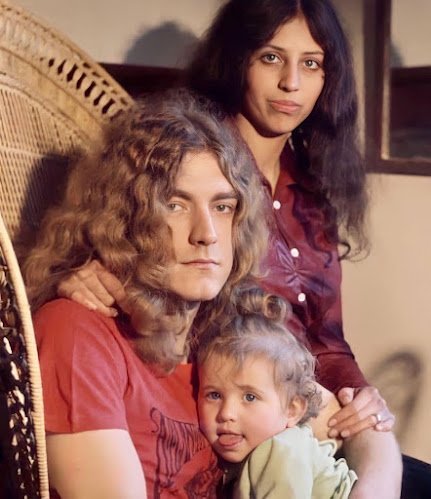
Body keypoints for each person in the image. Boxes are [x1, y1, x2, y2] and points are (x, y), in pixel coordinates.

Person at [52, 0, 404, 497]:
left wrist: (363, 407)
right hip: (251, 425)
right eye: (271, 57)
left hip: (307, 415)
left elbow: (326, 344)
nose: (291, 83)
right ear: (237, 59)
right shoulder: (186, 169)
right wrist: (83, 276)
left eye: (312, 63)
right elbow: (121, 276)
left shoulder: (312, 192)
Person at [23, 89, 271, 498]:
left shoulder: (226, 331)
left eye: (222, 207)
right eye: (175, 205)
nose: (207, 234)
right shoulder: (75, 332)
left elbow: (355, 425)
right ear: (124, 219)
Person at [197, 288, 358, 498]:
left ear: (292, 410)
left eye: (250, 397)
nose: (226, 413)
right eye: (214, 395)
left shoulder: (281, 451)